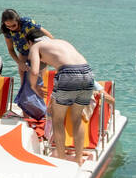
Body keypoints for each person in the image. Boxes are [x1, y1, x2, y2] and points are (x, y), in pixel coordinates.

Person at [27, 37, 96, 165]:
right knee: (77, 119)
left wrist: (33, 86)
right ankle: (78, 159)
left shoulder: (35, 47)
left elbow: (35, 71)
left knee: (57, 119)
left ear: (30, 42)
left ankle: (61, 159)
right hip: (87, 72)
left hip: (68, 74)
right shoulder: (61, 42)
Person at [0, 9, 53, 85]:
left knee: (39, 77)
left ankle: (40, 94)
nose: (11, 28)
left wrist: (52, 49)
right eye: (8, 26)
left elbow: (47, 34)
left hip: (38, 51)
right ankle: (24, 95)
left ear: (18, 20)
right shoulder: (6, 30)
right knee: (23, 77)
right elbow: (11, 49)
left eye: (14, 25)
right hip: (23, 52)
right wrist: (19, 63)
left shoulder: (27, 23)